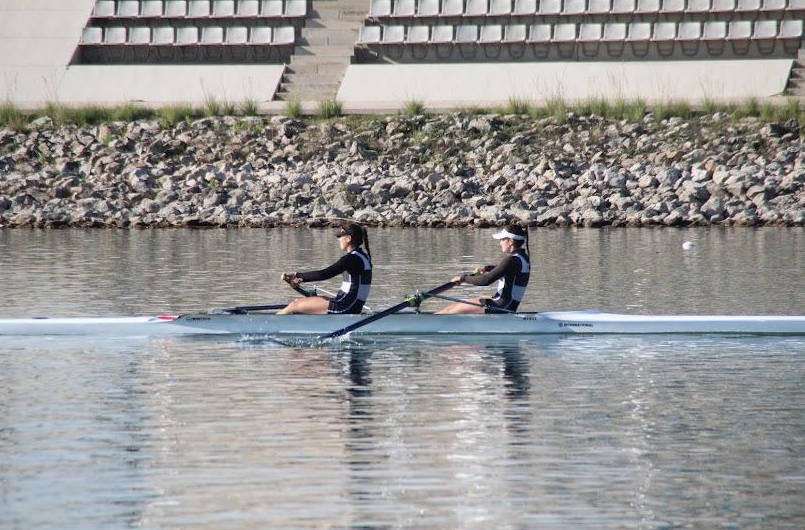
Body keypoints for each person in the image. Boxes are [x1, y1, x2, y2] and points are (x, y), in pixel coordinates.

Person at [278, 223, 372, 315]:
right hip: (352, 305)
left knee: (294, 305)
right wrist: (300, 278)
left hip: (345, 306)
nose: (338, 239)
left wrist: (297, 275)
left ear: (348, 238)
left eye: (340, 236)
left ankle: (274, 322)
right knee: (306, 301)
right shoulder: (363, 256)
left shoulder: (351, 259)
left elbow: (323, 274)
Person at [436, 225, 531, 314]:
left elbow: (485, 281)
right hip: (508, 305)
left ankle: (429, 322)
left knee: (451, 309)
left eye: (502, 239)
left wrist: (463, 278)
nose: (500, 243)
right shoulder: (523, 258)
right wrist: (486, 268)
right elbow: (505, 271)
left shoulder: (511, 260)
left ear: (511, 241)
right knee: (458, 306)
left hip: (501, 306)